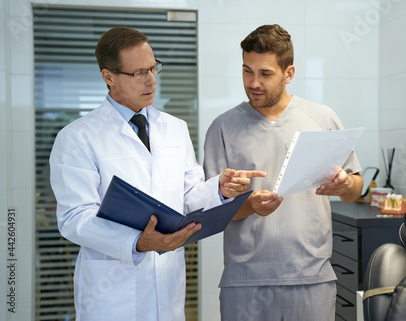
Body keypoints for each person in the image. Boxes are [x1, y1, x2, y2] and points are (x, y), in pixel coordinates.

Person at [49, 26, 264, 321]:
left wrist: (220, 189)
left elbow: (188, 197)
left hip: (168, 288)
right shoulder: (77, 137)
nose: (151, 80)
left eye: (153, 68)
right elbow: (74, 218)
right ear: (108, 77)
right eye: (138, 73)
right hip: (112, 295)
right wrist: (137, 241)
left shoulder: (175, 128)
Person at [203, 24, 364, 321]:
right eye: (247, 71)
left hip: (311, 278)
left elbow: (356, 187)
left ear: (289, 73)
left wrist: (345, 185)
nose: (253, 82)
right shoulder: (222, 128)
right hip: (245, 282)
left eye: (265, 74)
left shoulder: (322, 118)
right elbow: (211, 212)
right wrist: (247, 206)